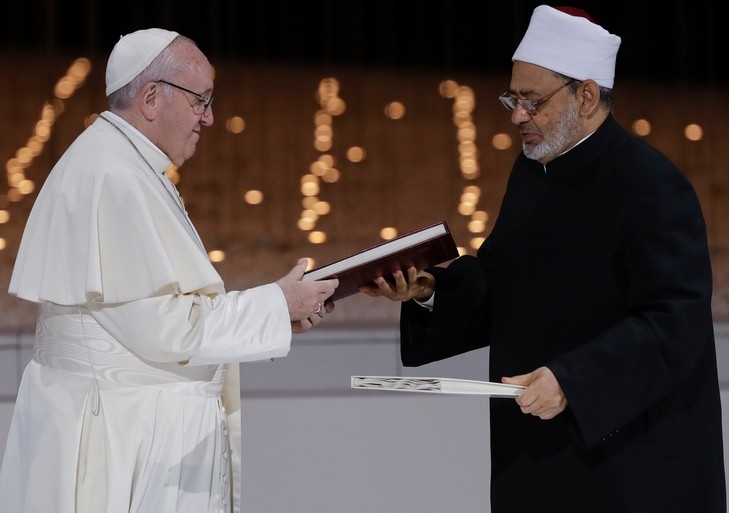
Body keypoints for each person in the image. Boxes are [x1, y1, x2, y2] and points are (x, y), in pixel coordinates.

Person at [362, 5, 726, 512]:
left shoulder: (651, 186)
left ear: (588, 95)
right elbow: (505, 282)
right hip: (535, 457)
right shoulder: (535, 171)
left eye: (532, 102)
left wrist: (574, 381)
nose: (516, 116)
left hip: (630, 466)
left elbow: (675, 323)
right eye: (512, 98)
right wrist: (428, 291)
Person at [0, 28, 338, 513]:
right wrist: (275, 304)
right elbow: (167, 328)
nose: (210, 117)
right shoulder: (112, 175)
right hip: (121, 441)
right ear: (152, 97)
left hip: (127, 426)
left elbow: (164, 312)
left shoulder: (122, 165)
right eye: (201, 100)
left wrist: (278, 314)